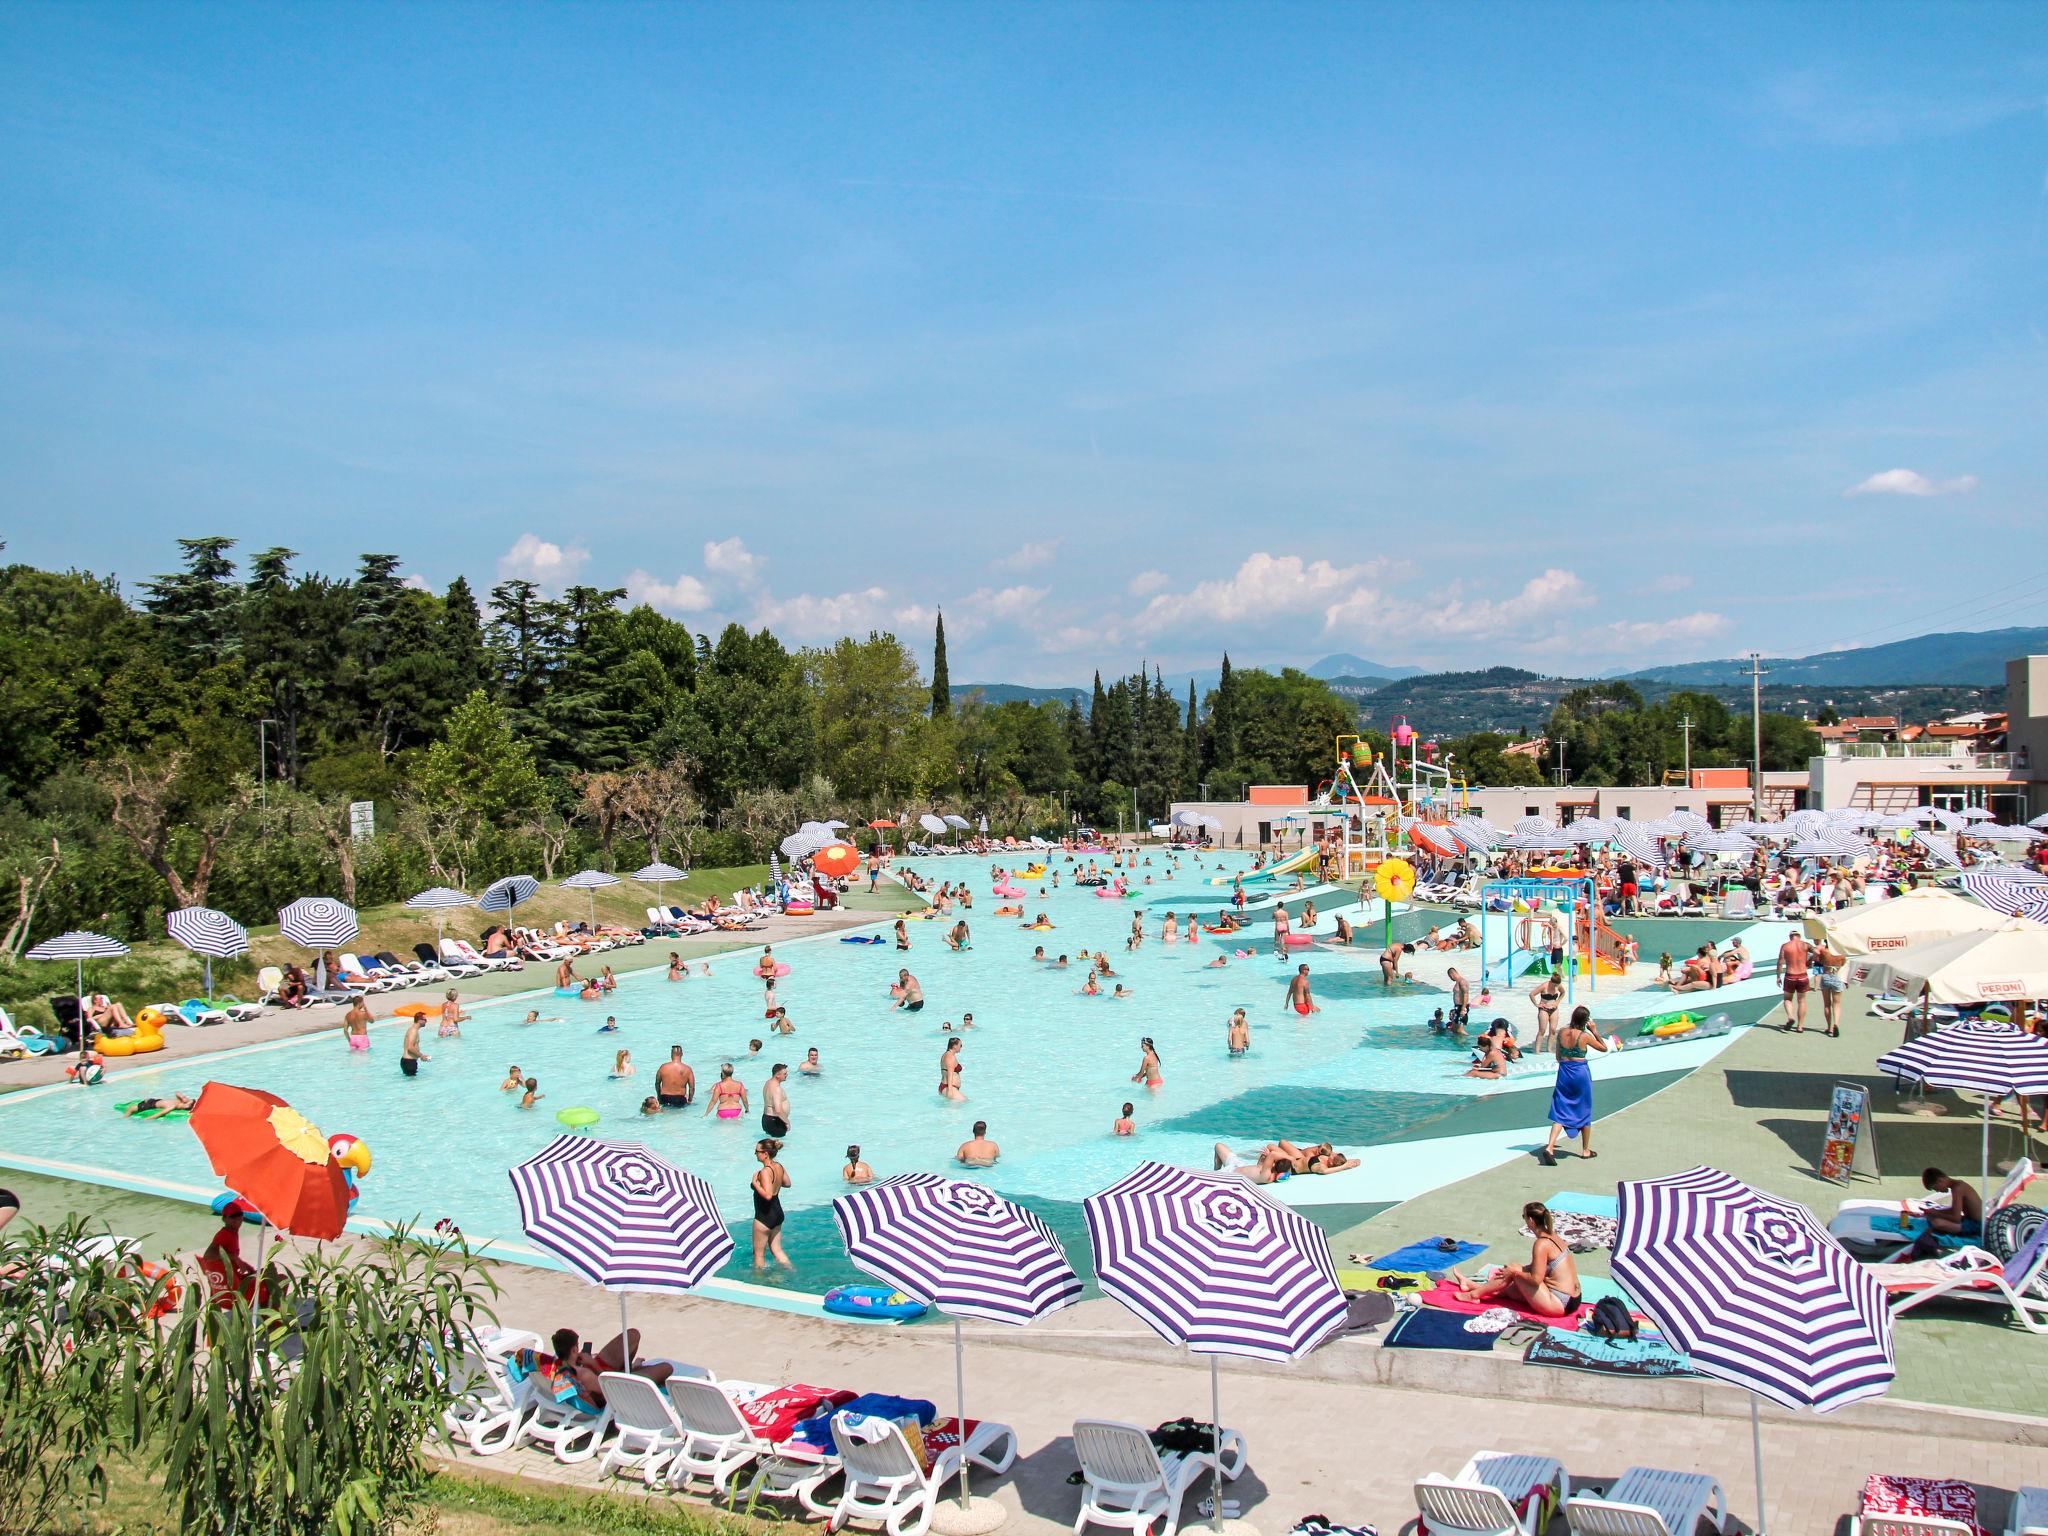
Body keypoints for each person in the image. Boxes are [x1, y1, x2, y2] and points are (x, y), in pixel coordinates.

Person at [1447, 1202, 1581, 1317]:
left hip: (1559, 1304)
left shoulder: (1541, 1244)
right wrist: (1514, 1270)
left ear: (1531, 1220)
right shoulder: (1553, 1236)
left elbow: (1536, 1280)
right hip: (1574, 1299)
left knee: (1514, 1272)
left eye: (1524, 1217)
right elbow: (1538, 1268)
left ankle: (1473, 1296)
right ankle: (1472, 1286)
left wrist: (1514, 1272)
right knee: (1512, 1288)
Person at [1541, 1006, 1616, 1164]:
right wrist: (1594, 1031)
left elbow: (1558, 1056)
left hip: (1564, 1072)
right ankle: (1585, 1150)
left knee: (1560, 1108)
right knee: (1584, 1108)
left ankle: (1550, 1147)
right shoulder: (1584, 1036)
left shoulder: (1561, 1032)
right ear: (1586, 1021)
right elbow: (1603, 1048)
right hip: (1580, 1073)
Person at [550, 1328, 672, 1404]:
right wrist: (593, 1363)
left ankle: (632, 1369)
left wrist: (587, 1362)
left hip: (594, 1373)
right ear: (574, 1350)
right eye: (577, 1345)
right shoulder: (584, 1375)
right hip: (617, 1387)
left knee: (632, 1334)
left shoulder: (556, 1366)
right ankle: (633, 1370)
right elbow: (612, 1388)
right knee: (666, 1368)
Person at [204, 1201, 266, 1302]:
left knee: (264, 1272)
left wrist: (246, 1266)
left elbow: (229, 1256)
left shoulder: (231, 1233)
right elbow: (208, 1255)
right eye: (233, 1216)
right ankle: (272, 1314)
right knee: (272, 1280)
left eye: (239, 1214)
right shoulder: (224, 1235)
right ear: (224, 1219)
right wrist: (235, 1258)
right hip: (232, 1287)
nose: (237, 1218)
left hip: (231, 1282)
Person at [1915, 1167, 1984, 1246]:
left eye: (1935, 1188)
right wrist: (1933, 1212)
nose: (1937, 1191)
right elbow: (1954, 1210)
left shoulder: (1958, 1188)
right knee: (1931, 1217)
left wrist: (1936, 1213)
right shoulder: (1958, 1185)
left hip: (1978, 1226)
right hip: (1970, 1220)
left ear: (1940, 1180)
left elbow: (1956, 1218)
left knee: (1938, 1223)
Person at [751, 1139, 793, 1269]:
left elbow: (768, 1195)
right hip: (777, 1213)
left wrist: (755, 1184)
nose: (755, 1154)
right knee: (777, 1250)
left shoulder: (765, 1172)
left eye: (757, 1151)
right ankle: (792, 1271)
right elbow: (787, 1183)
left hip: (764, 1215)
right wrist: (776, 1182)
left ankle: (758, 1283)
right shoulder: (779, 1166)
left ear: (765, 1154)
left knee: (759, 1255)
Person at [1813, 936, 1847, 1037]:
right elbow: (1844, 965)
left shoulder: (1824, 951)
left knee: (1827, 1004)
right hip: (1837, 976)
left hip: (1826, 976)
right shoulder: (1842, 954)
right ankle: (1836, 1024)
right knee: (1837, 1004)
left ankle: (1829, 1027)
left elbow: (1816, 955)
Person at [1779, 930, 1812, 1032]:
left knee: (1787, 999)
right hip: (1802, 975)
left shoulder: (1785, 946)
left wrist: (1778, 976)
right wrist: (1809, 962)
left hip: (1790, 975)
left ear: (1790, 937)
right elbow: (1817, 953)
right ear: (1799, 936)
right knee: (1802, 1001)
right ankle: (1800, 1026)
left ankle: (1790, 1016)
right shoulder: (1805, 945)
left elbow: (1780, 962)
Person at [1531, 973, 1563, 1052]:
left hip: (1554, 1009)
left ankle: (1549, 1049)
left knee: (1553, 1030)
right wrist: (1536, 1004)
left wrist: (1557, 1002)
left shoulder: (1558, 985)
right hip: (1544, 1009)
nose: (1556, 987)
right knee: (1542, 1030)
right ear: (1551, 982)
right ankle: (1537, 1051)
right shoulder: (1544, 986)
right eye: (1555, 985)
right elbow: (1531, 994)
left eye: (1557, 985)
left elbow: (1563, 993)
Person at [400, 1013, 429, 1078]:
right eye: (425, 1020)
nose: (426, 1022)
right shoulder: (413, 1031)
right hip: (409, 1062)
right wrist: (421, 1056)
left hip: (409, 1061)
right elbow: (410, 1047)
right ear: (420, 1020)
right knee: (412, 1086)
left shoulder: (413, 1030)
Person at [1445, 968, 1471, 1034]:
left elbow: (1466, 994)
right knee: (1454, 1029)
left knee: (1460, 1030)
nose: (1451, 978)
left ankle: (1470, 1039)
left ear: (1451, 974)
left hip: (1461, 1007)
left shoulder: (1462, 982)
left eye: (1450, 977)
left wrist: (1463, 1009)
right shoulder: (1458, 982)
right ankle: (1458, 1043)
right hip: (1457, 1007)